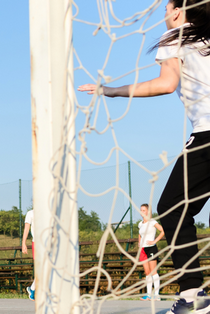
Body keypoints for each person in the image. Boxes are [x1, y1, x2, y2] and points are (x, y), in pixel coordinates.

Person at [79, 1, 210, 312]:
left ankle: (194, 295)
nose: (164, 15)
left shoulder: (177, 36)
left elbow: (166, 84)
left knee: (173, 209)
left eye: (166, 9)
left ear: (178, 12)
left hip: (207, 135)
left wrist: (111, 91)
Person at [137, 204, 165, 301]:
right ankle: (148, 295)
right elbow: (140, 234)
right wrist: (139, 242)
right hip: (143, 250)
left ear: (148, 212)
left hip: (151, 248)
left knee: (153, 272)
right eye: (141, 210)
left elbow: (162, 230)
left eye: (144, 210)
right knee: (147, 272)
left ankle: (157, 295)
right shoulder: (140, 224)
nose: (142, 212)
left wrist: (154, 241)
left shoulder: (152, 222)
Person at [22, 209, 35, 301]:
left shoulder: (49, 212)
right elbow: (26, 228)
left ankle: (32, 289)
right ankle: (32, 289)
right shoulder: (31, 213)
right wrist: (23, 243)